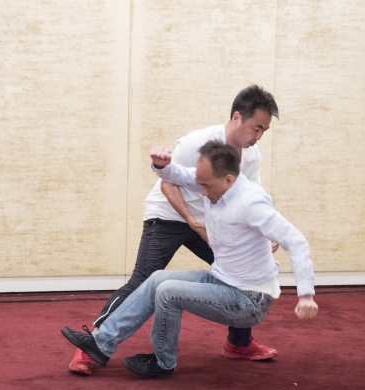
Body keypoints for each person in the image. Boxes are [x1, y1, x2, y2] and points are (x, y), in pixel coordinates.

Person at [69, 85, 280, 375]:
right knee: (144, 279)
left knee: (236, 272)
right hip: (168, 213)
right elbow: (168, 183)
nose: (258, 137)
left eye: (263, 131)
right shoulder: (197, 143)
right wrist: (193, 221)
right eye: (256, 128)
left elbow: (249, 198)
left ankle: (238, 343)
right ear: (236, 118)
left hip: (206, 221)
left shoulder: (252, 156)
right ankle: (92, 346)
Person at [62, 141, 318, 378]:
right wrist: (161, 165)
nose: (202, 192)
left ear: (229, 180)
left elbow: (296, 241)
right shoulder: (217, 181)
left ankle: (162, 363)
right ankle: (100, 344)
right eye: (200, 184)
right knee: (157, 279)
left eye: (206, 186)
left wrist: (306, 294)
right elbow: (178, 175)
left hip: (249, 299)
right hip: (222, 279)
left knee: (169, 292)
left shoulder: (252, 202)